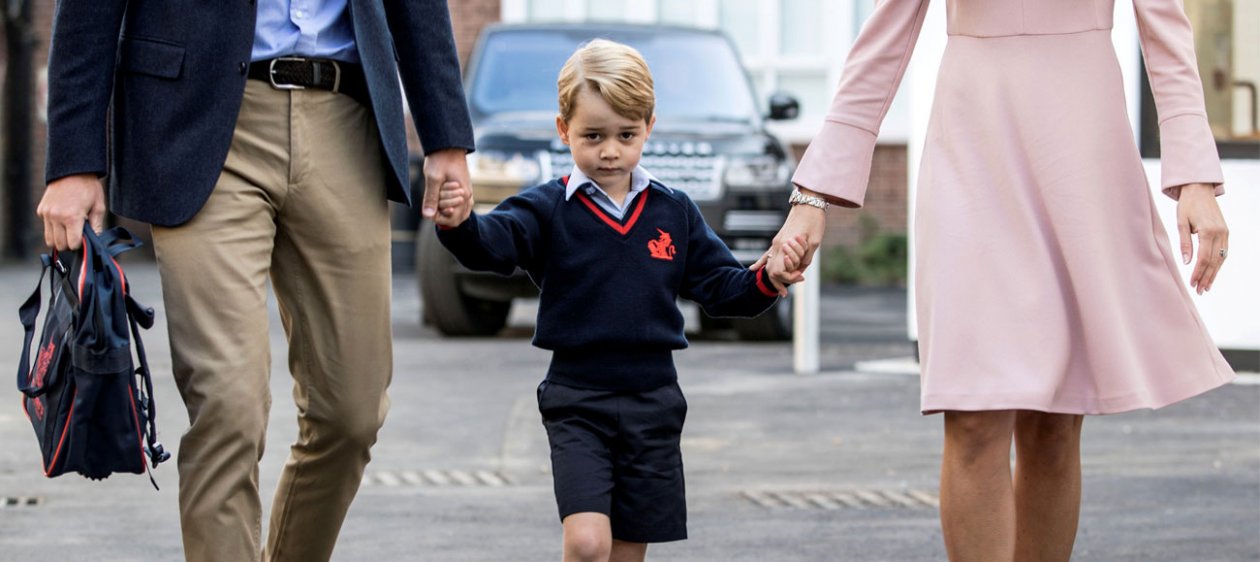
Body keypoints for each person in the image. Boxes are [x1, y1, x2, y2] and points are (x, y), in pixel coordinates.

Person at [758, 1, 1236, 560]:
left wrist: (1196, 175)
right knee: (973, 413)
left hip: (1081, 149)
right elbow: (884, 39)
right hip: (973, 148)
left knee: (1055, 423)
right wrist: (814, 196)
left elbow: (1167, 34)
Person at [36, 1, 474, 561]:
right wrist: (74, 162)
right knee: (228, 408)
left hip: (346, 115)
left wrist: (446, 136)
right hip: (197, 122)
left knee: (352, 412)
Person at [435, 39, 807, 562]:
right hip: (576, 402)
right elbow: (490, 245)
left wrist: (768, 274)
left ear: (648, 127)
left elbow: (724, 289)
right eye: (593, 136)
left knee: (627, 554)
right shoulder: (546, 209)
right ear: (563, 129)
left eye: (626, 135)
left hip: (653, 404)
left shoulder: (674, 212)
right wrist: (459, 223)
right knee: (588, 545)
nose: (610, 150)